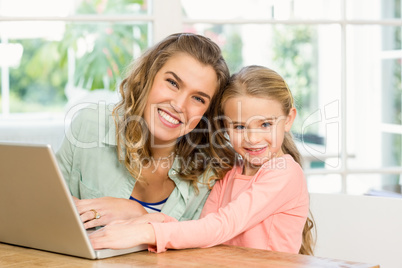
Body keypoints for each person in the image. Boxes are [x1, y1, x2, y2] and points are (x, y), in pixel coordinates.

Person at [89, 65, 315, 255]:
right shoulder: (231, 170)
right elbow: (202, 229)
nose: (252, 138)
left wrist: (147, 232)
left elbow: (223, 225)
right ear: (225, 127)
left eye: (265, 124)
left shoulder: (284, 172)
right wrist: (140, 218)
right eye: (239, 126)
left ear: (288, 120)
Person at [55, 33, 231, 229]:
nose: (179, 105)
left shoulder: (210, 171)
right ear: (148, 77)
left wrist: (140, 215)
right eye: (172, 83)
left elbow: (203, 243)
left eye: (198, 99)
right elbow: (46, 200)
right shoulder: (89, 126)